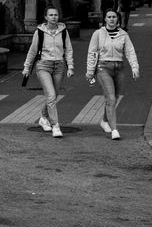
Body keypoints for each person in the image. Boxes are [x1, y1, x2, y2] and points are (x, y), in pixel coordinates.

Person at [85, 9, 140, 140]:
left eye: (114, 17)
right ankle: (114, 129)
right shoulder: (98, 34)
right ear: (105, 19)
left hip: (119, 68)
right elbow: (92, 53)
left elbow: (130, 52)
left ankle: (104, 120)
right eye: (109, 17)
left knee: (114, 97)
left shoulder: (124, 35)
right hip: (103, 68)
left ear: (117, 19)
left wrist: (135, 67)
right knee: (110, 98)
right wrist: (90, 71)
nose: (111, 19)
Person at [22, 7, 73, 138]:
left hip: (59, 66)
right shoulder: (39, 32)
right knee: (51, 95)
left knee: (54, 95)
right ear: (46, 17)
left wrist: (70, 66)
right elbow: (32, 51)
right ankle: (55, 125)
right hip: (43, 65)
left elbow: (68, 50)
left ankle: (43, 117)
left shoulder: (63, 31)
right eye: (51, 15)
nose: (54, 17)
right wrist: (26, 68)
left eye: (56, 15)